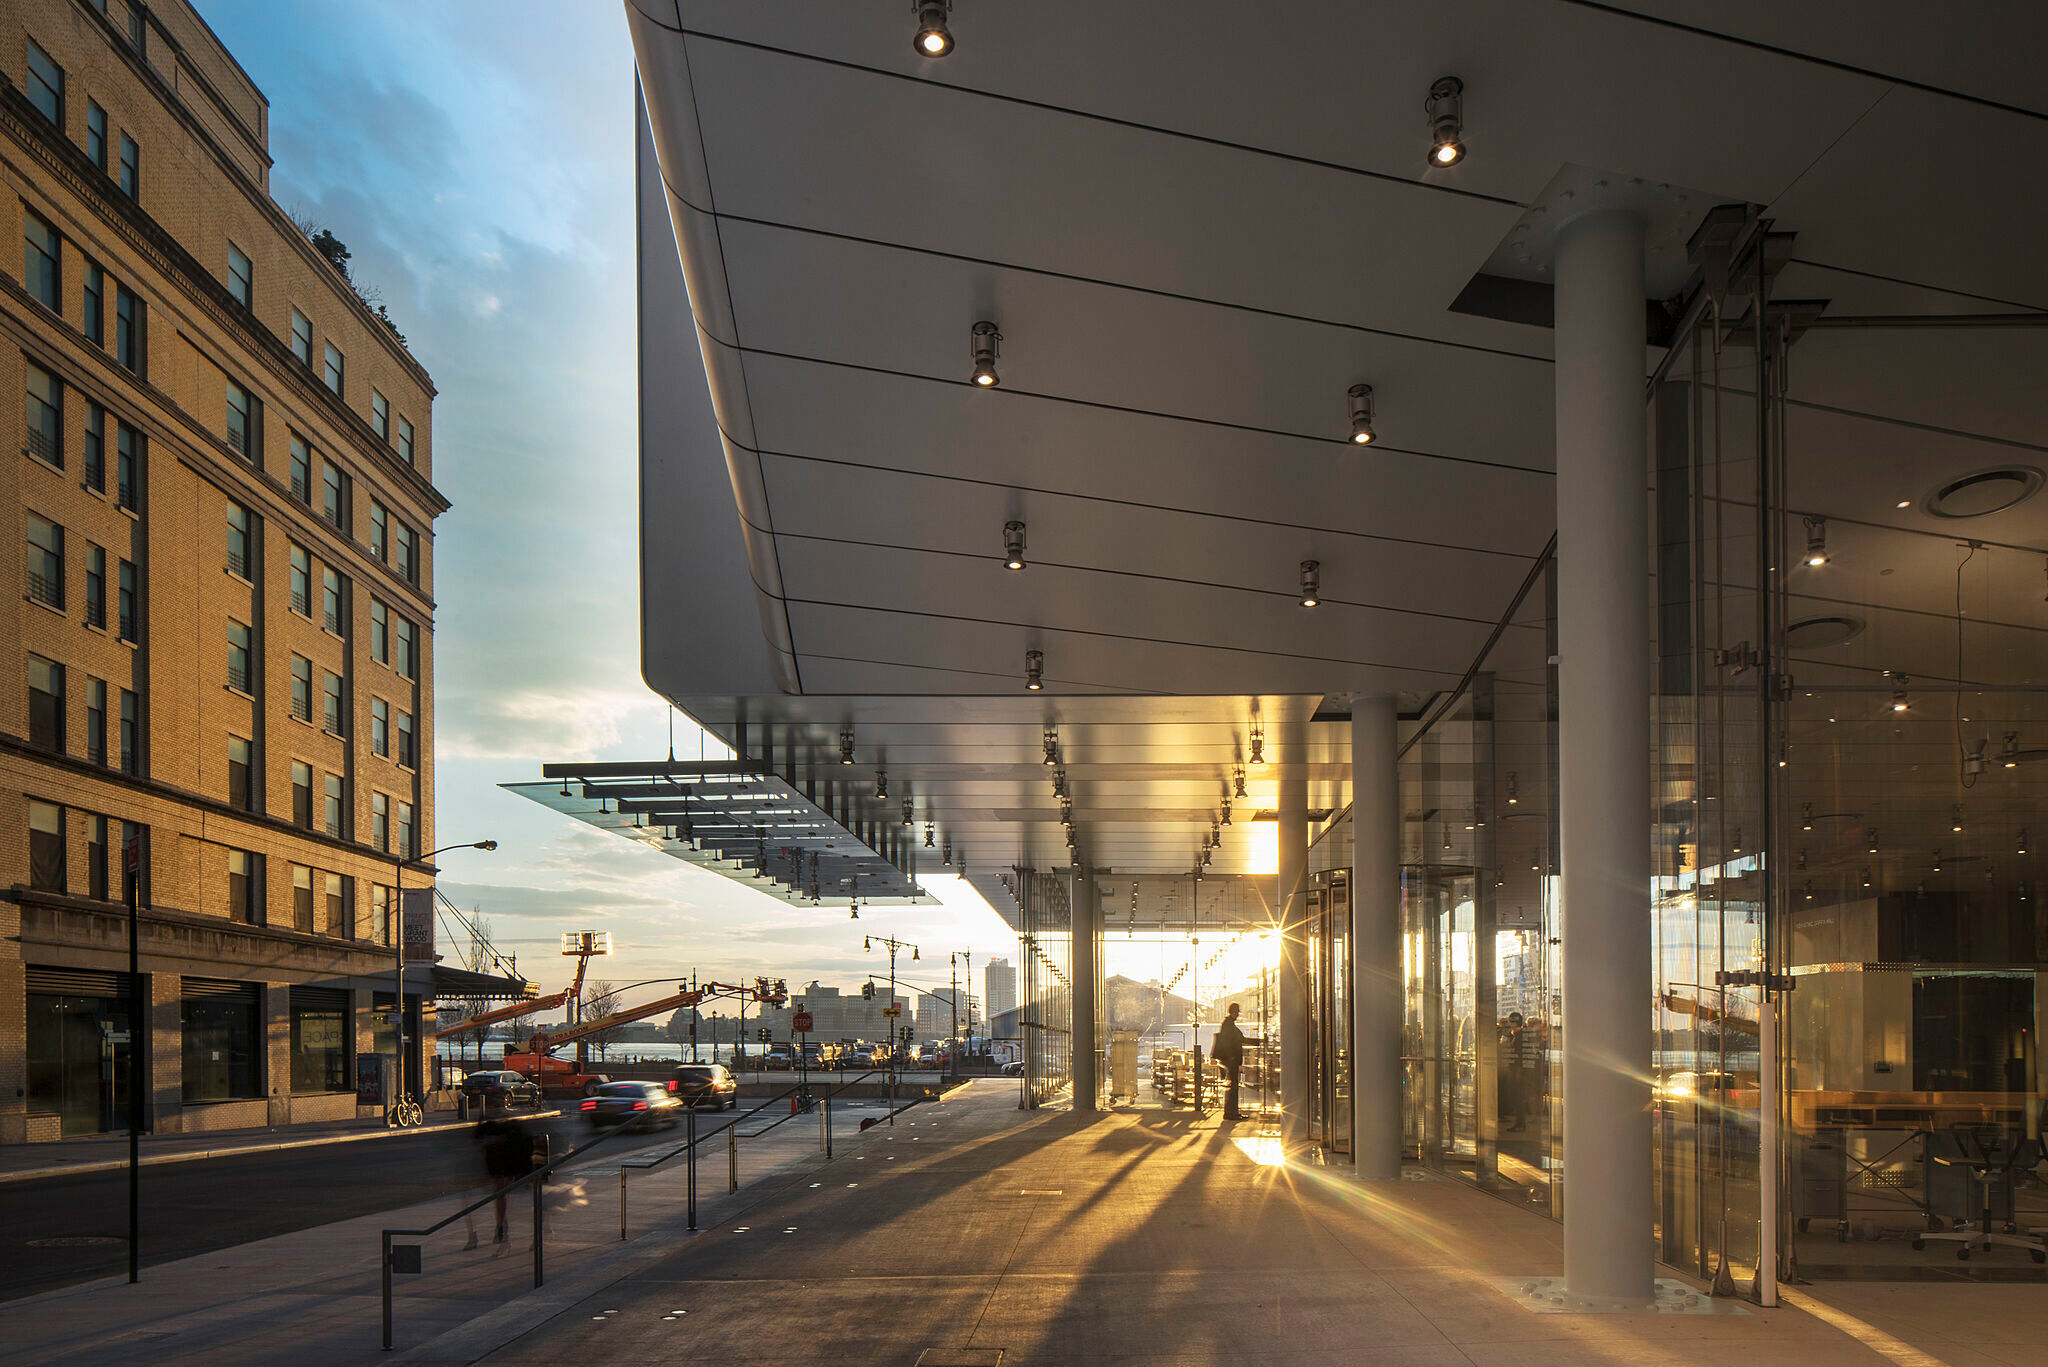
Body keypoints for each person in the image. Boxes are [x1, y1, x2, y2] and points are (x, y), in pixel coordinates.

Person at [466, 1115, 536, 1251]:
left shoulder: (507, 1138)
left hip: (509, 1160)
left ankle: (502, 1228)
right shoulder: (498, 1138)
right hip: (504, 1161)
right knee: (501, 1193)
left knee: (502, 1193)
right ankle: (501, 1227)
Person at [1212, 1002, 1247, 1122]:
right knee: (1233, 1087)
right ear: (1234, 1012)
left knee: (1232, 1086)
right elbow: (1232, 1041)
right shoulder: (1228, 1025)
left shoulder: (1228, 1024)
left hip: (1230, 1059)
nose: (1238, 1014)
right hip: (1231, 1059)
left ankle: (1232, 1112)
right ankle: (1231, 1113)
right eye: (1237, 1012)